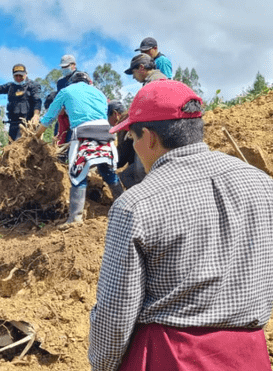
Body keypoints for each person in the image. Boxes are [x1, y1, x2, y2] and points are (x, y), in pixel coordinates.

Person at [89, 80, 273, 371]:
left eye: (131, 138)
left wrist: (101, 365)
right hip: (248, 356)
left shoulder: (135, 204)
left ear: (148, 137)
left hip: (170, 356)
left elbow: (115, 314)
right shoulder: (264, 185)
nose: (134, 147)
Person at [37, 72, 124, 229]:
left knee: (78, 173)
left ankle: (75, 217)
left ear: (72, 82)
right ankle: (125, 209)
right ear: (88, 82)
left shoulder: (66, 91)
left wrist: (36, 135)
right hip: (105, 134)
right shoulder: (99, 93)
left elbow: (49, 116)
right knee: (107, 170)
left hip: (84, 134)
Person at [0, 64, 41, 141]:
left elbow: (37, 101)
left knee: (24, 147)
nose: (18, 78)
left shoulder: (33, 85)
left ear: (25, 74)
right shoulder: (10, 86)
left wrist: (36, 115)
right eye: (16, 76)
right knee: (12, 147)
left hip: (27, 124)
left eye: (21, 76)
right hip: (13, 124)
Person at [108, 100, 146, 189]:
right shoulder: (132, 118)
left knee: (125, 177)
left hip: (143, 165)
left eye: (108, 117)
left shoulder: (123, 124)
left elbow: (122, 157)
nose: (108, 122)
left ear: (115, 114)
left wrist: (107, 165)